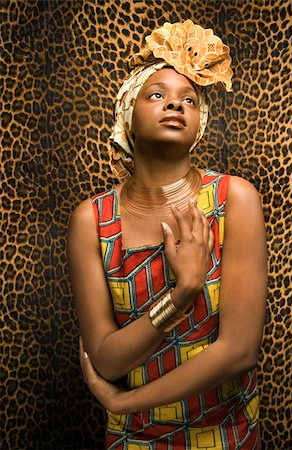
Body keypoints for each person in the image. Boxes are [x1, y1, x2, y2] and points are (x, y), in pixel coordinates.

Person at [68, 20, 267, 450]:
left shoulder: (236, 200)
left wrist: (125, 402)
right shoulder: (91, 220)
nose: (174, 105)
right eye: (156, 94)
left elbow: (239, 351)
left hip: (227, 436)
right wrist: (183, 293)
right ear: (127, 117)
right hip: (134, 441)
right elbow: (105, 355)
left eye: (188, 100)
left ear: (200, 125)